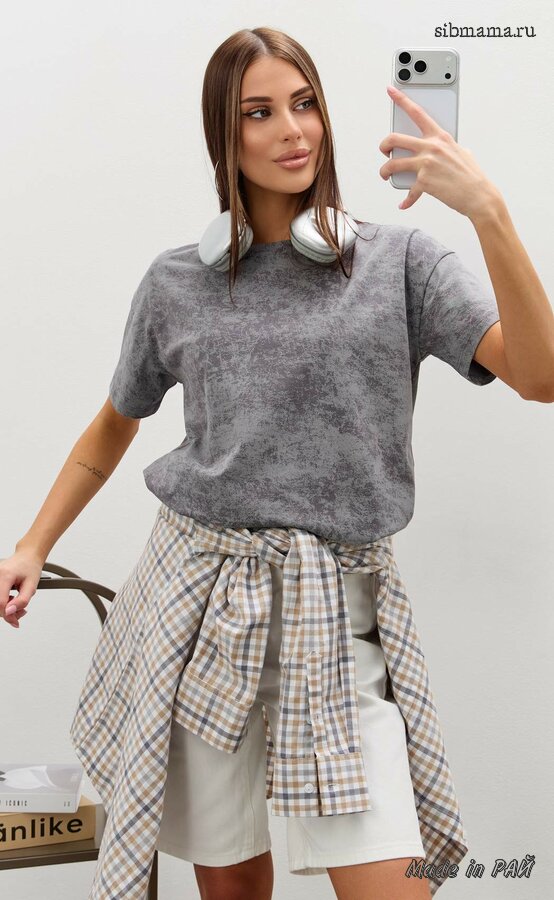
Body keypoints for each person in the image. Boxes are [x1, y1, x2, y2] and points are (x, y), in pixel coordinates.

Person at [2, 25, 553, 900]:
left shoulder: (402, 263)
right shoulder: (175, 282)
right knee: (230, 884)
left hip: (338, 619)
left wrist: (487, 210)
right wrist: (33, 546)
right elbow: (112, 426)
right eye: (259, 113)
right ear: (223, 136)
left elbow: (542, 376)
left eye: (304, 105)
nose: (292, 130)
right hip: (199, 609)